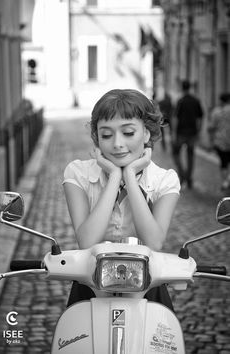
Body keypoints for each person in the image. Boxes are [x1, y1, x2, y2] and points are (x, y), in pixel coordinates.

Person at [63, 89, 180, 309]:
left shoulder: (165, 180)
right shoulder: (78, 174)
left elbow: (154, 242)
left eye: (128, 133)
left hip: (147, 290)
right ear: (97, 137)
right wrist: (115, 177)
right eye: (106, 135)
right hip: (90, 288)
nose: (117, 143)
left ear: (146, 134)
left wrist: (130, 177)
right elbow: (87, 241)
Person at [172, 80, 203, 188]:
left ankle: (183, 175)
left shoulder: (180, 101)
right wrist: (198, 132)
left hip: (181, 132)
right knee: (190, 155)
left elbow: (175, 118)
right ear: (190, 87)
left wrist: (173, 133)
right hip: (192, 132)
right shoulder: (196, 101)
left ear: (182, 87)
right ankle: (188, 178)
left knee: (176, 154)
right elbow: (200, 118)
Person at [208, 93, 230, 191]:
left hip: (221, 141)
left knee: (224, 162)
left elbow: (211, 127)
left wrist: (211, 139)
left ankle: (225, 181)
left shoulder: (217, 112)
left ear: (221, 101)